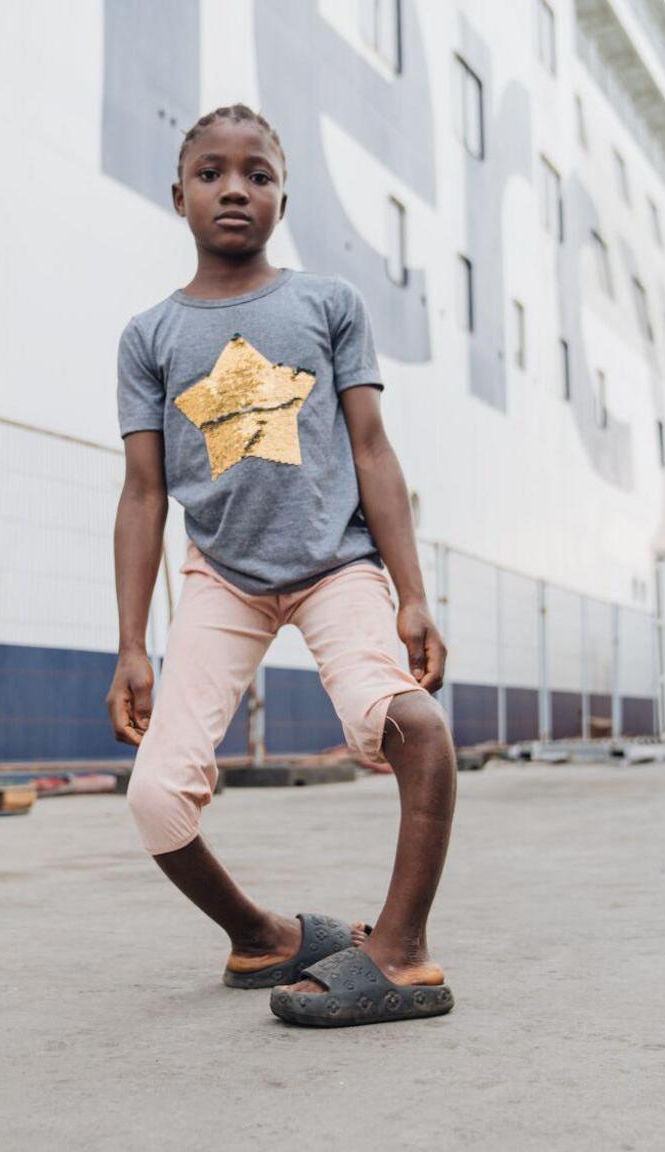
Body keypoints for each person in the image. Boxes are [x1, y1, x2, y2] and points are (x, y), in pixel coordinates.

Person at [106, 104, 457, 1027]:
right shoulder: (148, 336)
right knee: (153, 796)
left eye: (257, 174)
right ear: (177, 194)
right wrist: (130, 645)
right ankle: (264, 936)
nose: (235, 188)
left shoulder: (329, 303)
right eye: (212, 173)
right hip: (220, 575)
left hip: (337, 564)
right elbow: (143, 495)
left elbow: (373, 450)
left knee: (416, 730)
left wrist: (411, 593)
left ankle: (404, 952)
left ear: (284, 193)